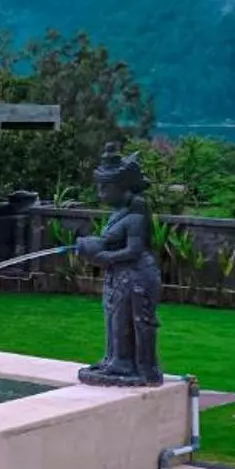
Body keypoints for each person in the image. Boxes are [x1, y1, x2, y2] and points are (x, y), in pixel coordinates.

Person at [75, 143, 163, 386]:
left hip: (136, 275)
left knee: (130, 319)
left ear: (122, 188)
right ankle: (115, 358)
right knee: (114, 317)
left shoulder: (135, 217)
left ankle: (132, 364)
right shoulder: (119, 214)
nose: (101, 193)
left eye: (105, 188)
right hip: (120, 274)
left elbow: (134, 250)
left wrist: (107, 258)